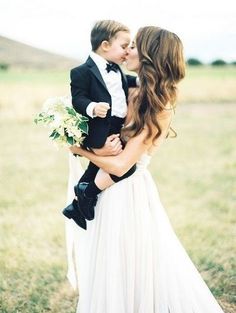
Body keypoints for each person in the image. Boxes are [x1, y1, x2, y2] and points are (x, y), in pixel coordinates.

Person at [70, 26, 225, 313]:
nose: (127, 51)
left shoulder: (159, 105)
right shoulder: (129, 88)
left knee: (130, 261)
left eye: (134, 46)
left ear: (150, 56)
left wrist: (78, 150)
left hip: (127, 192)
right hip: (110, 186)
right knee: (111, 261)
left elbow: (120, 164)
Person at [63, 20, 138, 230]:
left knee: (98, 166)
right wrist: (92, 107)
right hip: (100, 126)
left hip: (117, 124)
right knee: (126, 166)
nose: (127, 51)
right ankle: (87, 193)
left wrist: (145, 81)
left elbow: (127, 81)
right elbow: (78, 98)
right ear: (105, 45)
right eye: (124, 46)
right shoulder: (81, 71)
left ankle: (77, 204)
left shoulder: (117, 69)